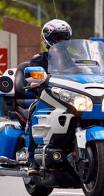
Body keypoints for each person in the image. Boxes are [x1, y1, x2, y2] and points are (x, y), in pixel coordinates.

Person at [27, 19, 72, 174]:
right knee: (34, 112)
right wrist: (35, 81)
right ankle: (32, 159)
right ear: (47, 39)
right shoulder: (39, 60)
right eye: (56, 37)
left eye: (63, 37)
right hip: (47, 99)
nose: (60, 41)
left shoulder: (73, 60)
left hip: (69, 99)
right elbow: (32, 79)